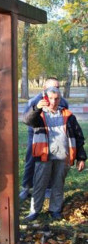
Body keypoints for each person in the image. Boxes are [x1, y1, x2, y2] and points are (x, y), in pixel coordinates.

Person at [23, 86, 86, 221]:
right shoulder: (39, 114)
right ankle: (34, 211)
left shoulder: (68, 115)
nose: (53, 101)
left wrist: (81, 158)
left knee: (58, 185)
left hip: (63, 157)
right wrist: (36, 108)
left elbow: (79, 137)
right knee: (39, 184)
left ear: (60, 99)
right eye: (50, 98)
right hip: (43, 156)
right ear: (45, 98)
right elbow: (27, 120)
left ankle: (55, 210)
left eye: (56, 98)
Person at [19, 77, 69, 201]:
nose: (55, 89)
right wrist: (37, 108)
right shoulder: (35, 100)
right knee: (31, 160)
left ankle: (48, 188)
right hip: (37, 135)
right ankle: (26, 187)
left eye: (57, 87)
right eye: (52, 87)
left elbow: (67, 118)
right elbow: (26, 119)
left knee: (53, 161)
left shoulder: (62, 101)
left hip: (56, 137)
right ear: (44, 88)